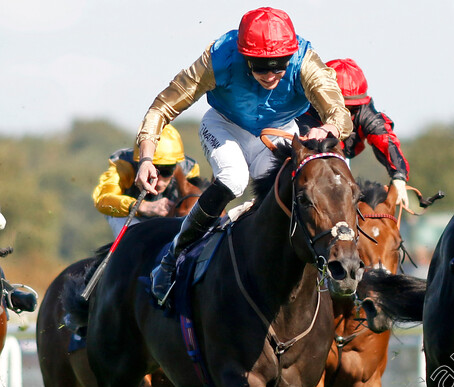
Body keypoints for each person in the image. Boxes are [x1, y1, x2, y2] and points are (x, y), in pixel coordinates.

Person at [134, 7, 352, 304]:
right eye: (262, 67)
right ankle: (173, 258)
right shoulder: (220, 57)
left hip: (278, 131)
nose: (272, 75)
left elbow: (340, 113)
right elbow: (162, 107)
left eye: (280, 66)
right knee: (234, 179)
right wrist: (146, 158)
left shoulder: (305, 61)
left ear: (291, 56)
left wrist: (328, 127)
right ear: (244, 57)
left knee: (292, 190)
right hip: (224, 125)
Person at [303, 58, 411, 208]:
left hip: (339, 158)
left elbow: (386, 140)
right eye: (341, 108)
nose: (346, 116)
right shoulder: (305, 110)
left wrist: (399, 177)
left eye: (352, 109)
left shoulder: (365, 111)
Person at [92, 125, 203, 238]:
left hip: (168, 220)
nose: (158, 182)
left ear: (176, 165)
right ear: (140, 163)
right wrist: (143, 207)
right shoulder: (122, 166)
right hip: (129, 218)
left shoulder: (189, 170)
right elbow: (102, 199)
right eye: (152, 171)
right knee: (136, 238)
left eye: (166, 171)